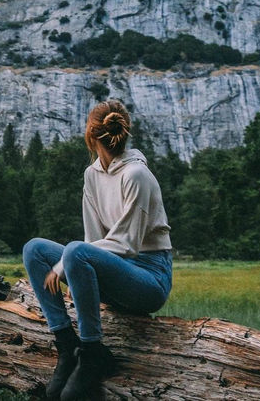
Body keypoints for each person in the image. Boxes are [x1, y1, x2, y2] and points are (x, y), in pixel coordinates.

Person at [22, 100, 173, 400]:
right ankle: (68, 346)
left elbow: (126, 244)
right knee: (34, 249)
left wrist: (66, 265)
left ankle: (93, 352)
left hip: (149, 279)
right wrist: (75, 271)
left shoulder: (136, 175)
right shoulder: (92, 175)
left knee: (74, 251)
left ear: (90, 136)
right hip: (112, 272)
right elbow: (92, 240)